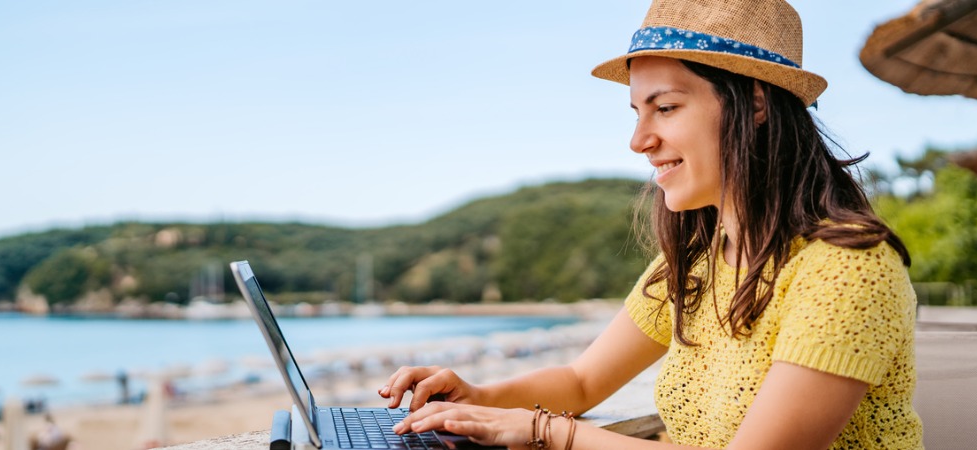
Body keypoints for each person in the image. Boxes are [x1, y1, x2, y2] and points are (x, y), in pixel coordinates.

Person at [379, 0, 924, 449]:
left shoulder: (847, 270)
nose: (639, 140)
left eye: (664, 108)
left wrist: (545, 431)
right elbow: (581, 381)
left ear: (755, 104)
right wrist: (478, 396)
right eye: (637, 113)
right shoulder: (698, 260)